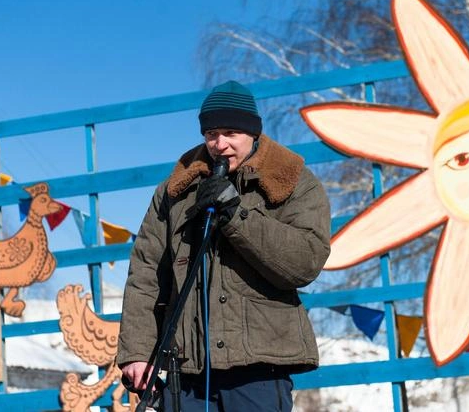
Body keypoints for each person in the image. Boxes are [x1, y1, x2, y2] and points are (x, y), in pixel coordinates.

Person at [116, 80, 331, 411]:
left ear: (253, 132)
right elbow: (146, 272)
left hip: (257, 370)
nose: (220, 144)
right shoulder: (175, 190)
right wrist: (137, 352)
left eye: (231, 133)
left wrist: (237, 215)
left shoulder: (292, 181)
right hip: (183, 371)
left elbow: (305, 261)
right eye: (211, 134)